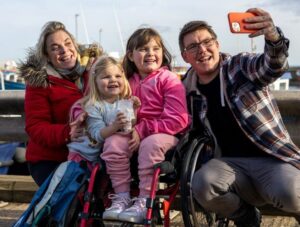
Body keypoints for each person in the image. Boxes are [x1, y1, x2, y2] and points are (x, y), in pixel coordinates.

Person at [179, 7, 300, 227]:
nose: (202, 50)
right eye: (193, 46)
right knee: (201, 185)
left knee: (292, 193)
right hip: (228, 164)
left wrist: (273, 37)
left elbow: (272, 67)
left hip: (271, 158)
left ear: (217, 45)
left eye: (207, 42)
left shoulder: (239, 66)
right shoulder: (185, 89)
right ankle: (247, 218)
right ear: (185, 56)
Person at [102, 27, 190, 223]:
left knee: (151, 144)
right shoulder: (125, 81)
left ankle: (144, 200)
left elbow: (178, 119)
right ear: (131, 56)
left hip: (165, 135)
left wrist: (141, 131)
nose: (150, 53)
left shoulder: (168, 80)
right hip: (132, 134)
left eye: (155, 48)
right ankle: (122, 197)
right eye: (143, 49)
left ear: (162, 53)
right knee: (112, 143)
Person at [19, 21, 102, 186]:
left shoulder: (95, 71)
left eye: (67, 43)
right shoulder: (40, 82)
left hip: (91, 153)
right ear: (47, 55)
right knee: (73, 197)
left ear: (75, 46)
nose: (64, 51)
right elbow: (35, 127)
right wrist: (67, 132)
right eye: (55, 47)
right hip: (51, 158)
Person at [67, 56, 140, 173]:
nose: (113, 80)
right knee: (78, 188)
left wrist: (134, 110)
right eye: (106, 77)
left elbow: (128, 126)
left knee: (101, 185)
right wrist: (115, 127)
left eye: (118, 76)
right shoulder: (93, 106)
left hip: (102, 156)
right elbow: (97, 135)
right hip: (82, 156)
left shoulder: (122, 102)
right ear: (95, 81)